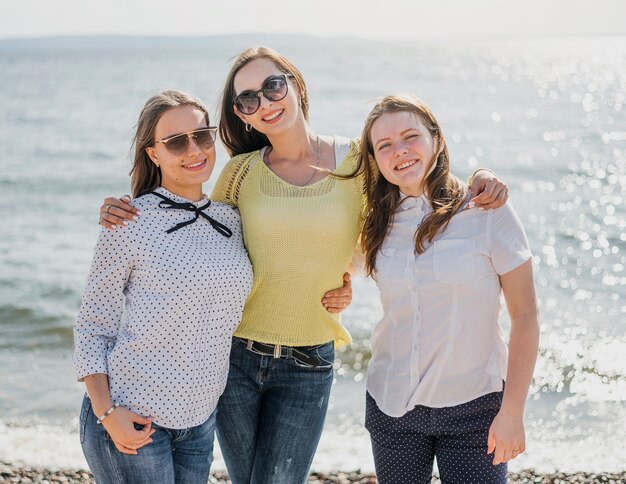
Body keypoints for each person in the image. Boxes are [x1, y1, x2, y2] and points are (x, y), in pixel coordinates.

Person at [98, 47, 509, 484]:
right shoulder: (239, 171)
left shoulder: (357, 161)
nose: (266, 102)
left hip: (308, 362)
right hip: (234, 355)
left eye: (273, 86)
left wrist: (478, 181)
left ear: (295, 84)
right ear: (243, 117)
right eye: (248, 100)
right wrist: (130, 207)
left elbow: (411, 187)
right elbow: (195, 229)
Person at [357, 94, 539, 483]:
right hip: (392, 408)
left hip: (475, 409)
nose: (400, 151)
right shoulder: (374, 222)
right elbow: (330, 267)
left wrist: (513, 413)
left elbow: (524, 316)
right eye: (385, 145)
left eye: (411, 137)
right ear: (374, 159)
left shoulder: (487, 209)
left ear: (437, 140)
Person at [74, 90, 253, 484]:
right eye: (175, 141)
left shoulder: (233, 219)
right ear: (153, 153)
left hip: (201, 420)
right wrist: (107, 414)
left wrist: (340, 282)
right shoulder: (129, 221)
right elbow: (92, 326)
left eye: (201, 136)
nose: (193, 149)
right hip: (131, 415)